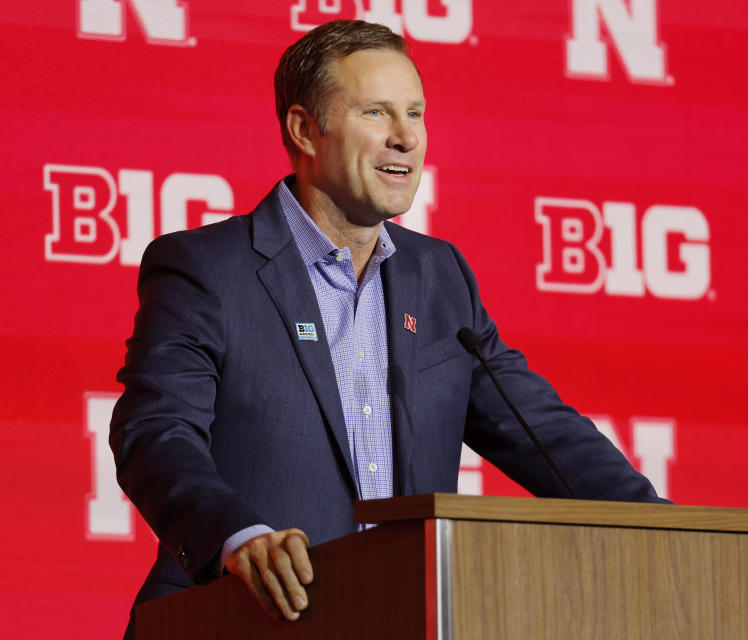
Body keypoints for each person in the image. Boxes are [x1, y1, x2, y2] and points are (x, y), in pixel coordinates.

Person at [110, 19, 668, 638]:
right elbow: (155, 434)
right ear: (303, 129)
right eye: (377, 112)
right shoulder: (208, 267)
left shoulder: (441, 275)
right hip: (240, 617)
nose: (406, 137)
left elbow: (541, 432)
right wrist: (239, 539)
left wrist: (669, 531)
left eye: (416, 114)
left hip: (400, 617)